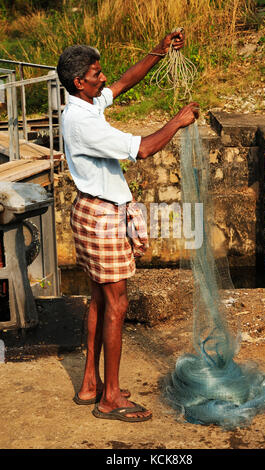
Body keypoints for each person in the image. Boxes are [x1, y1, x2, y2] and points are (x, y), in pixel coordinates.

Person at [57, 30, 199, 422]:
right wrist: (178, 121)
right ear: (79, 83)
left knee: (100, 300)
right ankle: (111, 397)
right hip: (102, 218)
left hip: (90, 211)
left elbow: (123, 82)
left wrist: (159, 49)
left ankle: (90, 383)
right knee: (117, 304)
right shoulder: (84, 124)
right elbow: (144, 148)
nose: (104, 79)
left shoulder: (82, 105)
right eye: (96, 74)